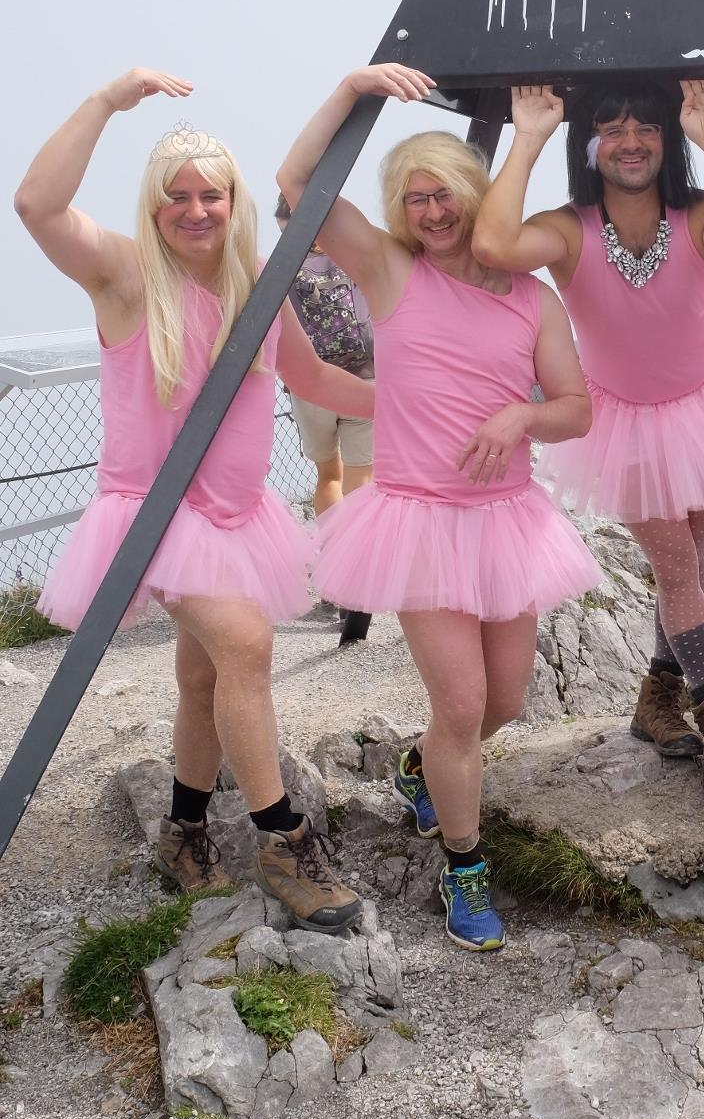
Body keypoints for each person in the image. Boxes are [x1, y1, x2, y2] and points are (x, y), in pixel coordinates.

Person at [14, 70, 374, 931]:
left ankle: (182, 830)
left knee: (205, 671)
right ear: (155, 204)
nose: (196, 209)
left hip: (236, 517)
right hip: (152, 515)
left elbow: (316, 376)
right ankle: (284, 845)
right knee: (247, 646)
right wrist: (105, 102)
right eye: (177, 195)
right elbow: (35, 204)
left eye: (212, 193)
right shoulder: (127, 276)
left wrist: (426, 404)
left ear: (233, 200)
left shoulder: (255, 282)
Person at [277, 63, 600, 952]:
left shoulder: (535, 298)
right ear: (400, 209)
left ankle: (422, 766)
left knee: (504, 702)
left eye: (446, 192)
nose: (432, 211)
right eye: (414, 197)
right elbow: (298, 185)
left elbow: (576, 408)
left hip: (508, 521)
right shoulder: (386, 270)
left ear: (474, 192)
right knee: (460, 706)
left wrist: (524, 412)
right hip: (417, 521)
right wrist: (352, 90)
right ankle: (465, 870)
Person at [472, 77, 704, 788]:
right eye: (611, 127)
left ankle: (656, 696)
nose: (628, 141)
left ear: (666, 138)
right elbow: (493, 244)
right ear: (589, 143)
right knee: (679, 567)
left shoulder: (698, 214)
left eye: (645, 127)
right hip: (622, 421)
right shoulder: (567, 228)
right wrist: (527, 136)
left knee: (691, 555)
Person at [275, 193, 375, 645]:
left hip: (310, 385)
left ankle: (334, 571)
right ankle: (358, 569)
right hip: (365, 379)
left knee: (327, 474)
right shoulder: (355, 258)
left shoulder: (280, 268)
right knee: (361, 476)